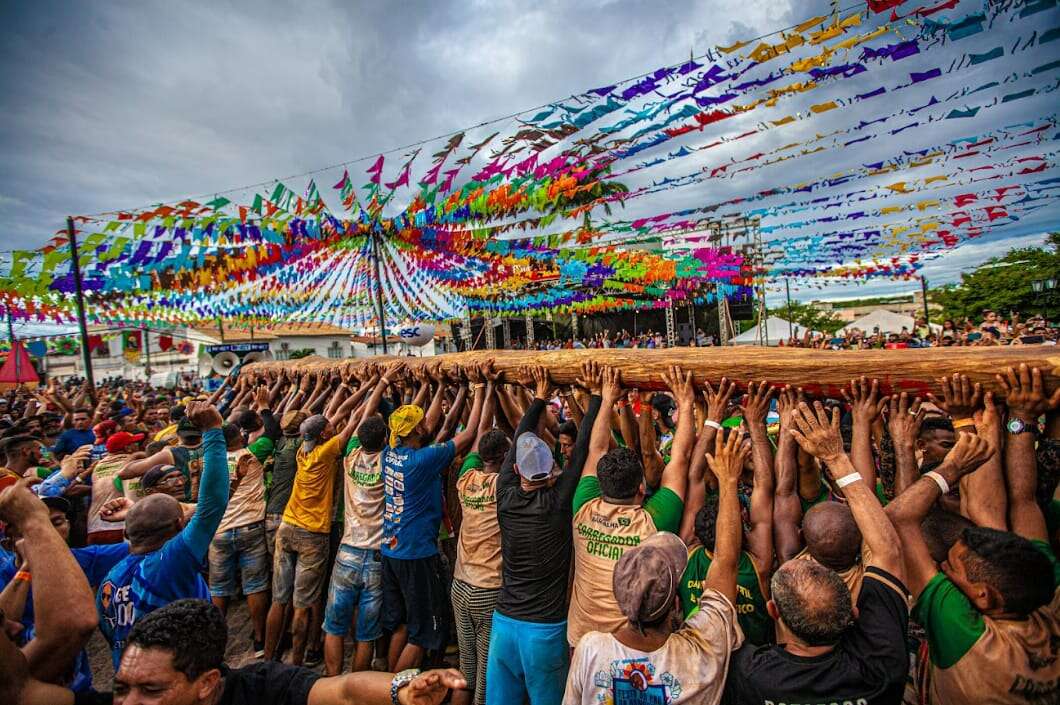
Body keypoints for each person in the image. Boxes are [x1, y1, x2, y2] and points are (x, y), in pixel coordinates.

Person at [887, 365, 1060, 703]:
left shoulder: (968, 635)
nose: (943, 568)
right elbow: (1021, 502)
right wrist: (1016, 418)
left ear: (984, 596)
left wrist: (954, 461)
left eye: (952, 567)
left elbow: (897, 519)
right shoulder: (1044, 591)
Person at [725, 401, 910, 705]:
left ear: (774, 611)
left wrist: (769, 428)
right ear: (853, 613)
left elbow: (784, 492)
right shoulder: (882, 669)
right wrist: (837, 457)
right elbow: (887, 548)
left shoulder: (750, 676)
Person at [563, 428, 748, 705]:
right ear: (676, 602)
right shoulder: (701, 650)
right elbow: (726, 562)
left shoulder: (590, 649)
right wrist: (729, 482)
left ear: (620, 601)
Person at [485, 363, 602, 705]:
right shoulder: (558, 501)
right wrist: (596, 396)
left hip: (504, 624)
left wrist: (538, 397)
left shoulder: (505, 494)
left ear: (515, 469)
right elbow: (583, 448)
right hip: (544, 631)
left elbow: (522, 434)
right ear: (552, 470)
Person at [95, 400, 229, 668]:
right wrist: (213, 430)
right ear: (179, 527)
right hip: (180, 675)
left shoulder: (109, 582)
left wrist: (136, 511)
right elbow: (212, 504)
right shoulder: (170, 562)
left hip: (130, 674)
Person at [567, 365, 692, 647]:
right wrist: (685, 403)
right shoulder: (653, 523)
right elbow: (680, 458)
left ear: (600, 484)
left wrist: (607, 398)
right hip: (629, 644)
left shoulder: (583, 506)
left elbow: (596, 450)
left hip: (582, 641)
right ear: (641, 489)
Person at [380, 368, 484, 672]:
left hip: (391, 550)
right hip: (416, 554)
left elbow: (437, 423)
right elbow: (468, 433)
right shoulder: (421, 461)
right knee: (422, 634)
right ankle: (396, 690)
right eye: (422, 421)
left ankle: (386, 682)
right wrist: (480, 389)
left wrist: (434, 386)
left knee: (402, 625)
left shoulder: (390, 451)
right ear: (415, 431)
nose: (428, 420)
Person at [264, 384, 363, 665]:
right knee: (302, 606)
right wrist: (372, 388)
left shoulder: (302, 452)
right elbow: (352, 418)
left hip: (287, 527)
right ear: (324, 435)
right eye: (329, 427)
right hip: (312, 534)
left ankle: (269, 660)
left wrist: (346, 387)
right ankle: (296, 664)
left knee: (279, 599)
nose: (333, 426)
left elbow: (336, 413)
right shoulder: (326, 452)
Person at [322, 373, 389, 676]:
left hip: (347, 550)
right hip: (376, 554)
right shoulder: (389, 460)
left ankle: (332, 683)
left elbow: (363, 414)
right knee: (367, 633)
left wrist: (379, 383)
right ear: (385, 440)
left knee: (334, 627)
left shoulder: (350, 456)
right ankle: (356, 688)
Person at [450, 380, 505, 705]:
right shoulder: (505, 487)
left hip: (461, 584)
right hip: (488, 587)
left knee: (465, 669)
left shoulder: (466, 478)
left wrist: (485, 390)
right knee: (485, 672)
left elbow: (480, 431)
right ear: (504, 456)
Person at [208, 423, 271, 658]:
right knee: (255, 585)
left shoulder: (210, 461)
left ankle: (215, 644)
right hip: (250, 526)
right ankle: (259, 640)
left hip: (220, 530)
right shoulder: (252, 454)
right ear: (240, 437)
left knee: (219, 588)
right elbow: (272, 428)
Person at [87, 430, 146, 545]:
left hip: (94, 528)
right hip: (121, 527)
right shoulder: (135, 463)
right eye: (134, 443)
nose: (137, 445)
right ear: (127, 448)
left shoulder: (98, 465)